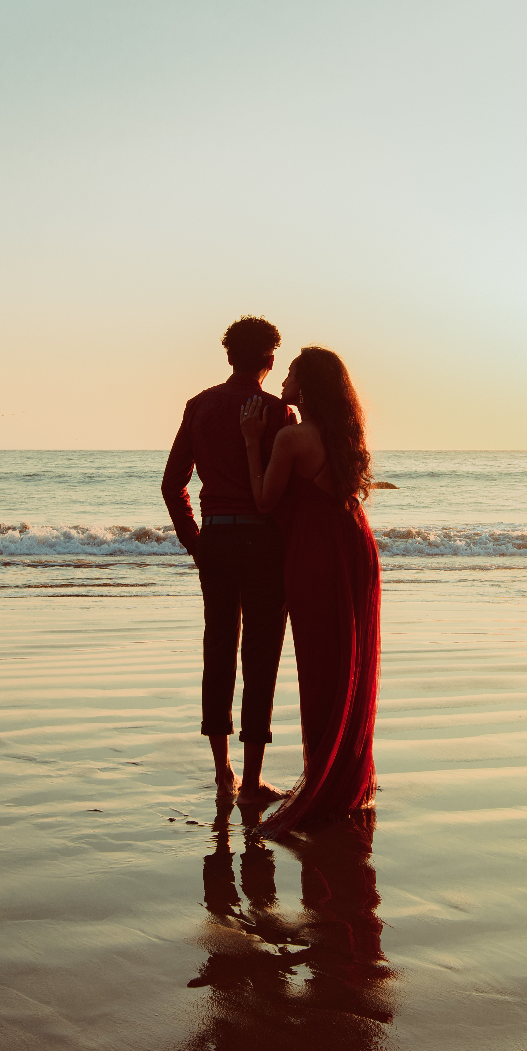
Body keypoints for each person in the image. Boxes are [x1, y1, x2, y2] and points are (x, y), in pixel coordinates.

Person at [237, 346, 381, 837]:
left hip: (316, 557)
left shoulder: (292, 438)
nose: (284, 380)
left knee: (320, 667)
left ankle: (325, 779)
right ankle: (342, 778)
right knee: (347, 665)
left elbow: (263, 501)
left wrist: (252, 441)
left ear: (309, 385)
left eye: (293, 372)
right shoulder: (345, 435)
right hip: (355, 549)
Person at [162, 315, 297, 803]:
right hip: (262, 543)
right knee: (261, 654)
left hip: (216, 539)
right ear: (270, 359)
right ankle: (253, 778)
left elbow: (172, 484)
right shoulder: (280, 413)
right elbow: (288, 497)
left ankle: (223, 773)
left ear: (228, 356)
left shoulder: (199, 406)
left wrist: (197, 542)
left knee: (218, 647)